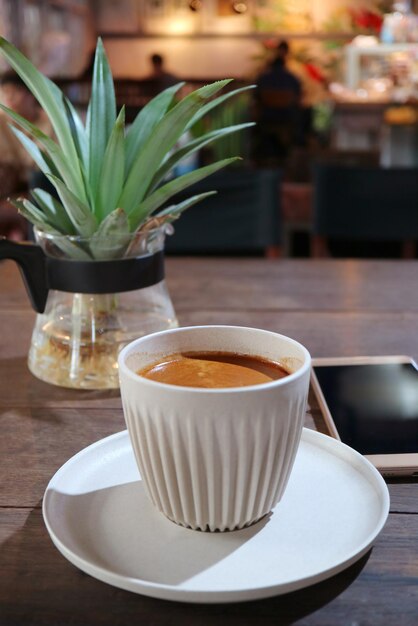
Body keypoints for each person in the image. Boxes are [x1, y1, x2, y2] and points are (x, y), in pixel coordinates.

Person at [0, 72, 53, 239]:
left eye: (15, 92)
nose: (9, 98)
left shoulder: (49, 122)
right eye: (5, 92)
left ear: (30, 94)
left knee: (38, 180)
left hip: (38, 188)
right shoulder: (2, 122)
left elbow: (42, 166)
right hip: (8, 188)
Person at [254, 40, 304, 164]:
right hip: (287, 117)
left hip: (266, 117)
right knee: (305, 115)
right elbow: (298, 97)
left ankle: (265, 153)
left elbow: (256, 97)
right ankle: (294, 149)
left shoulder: (263, 78)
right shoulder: (292, 79)